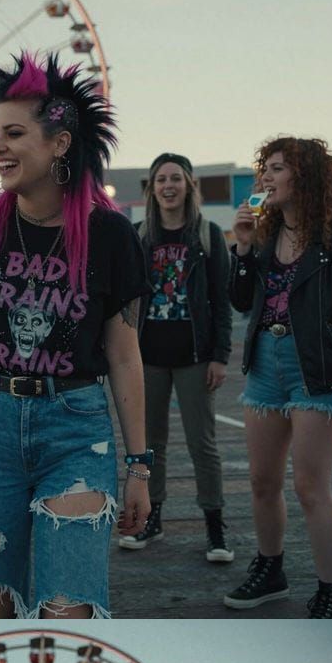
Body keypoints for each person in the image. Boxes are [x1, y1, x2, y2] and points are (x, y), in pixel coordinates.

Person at [0, 52, 151, 619]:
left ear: (61, 143)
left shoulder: (111, 235)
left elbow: (123, 354)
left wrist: (139, 466)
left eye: (15, 133)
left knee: (69, 606)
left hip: (75, 430)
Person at [225, 137, 332, 618]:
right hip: (265, 363)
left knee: (309, 485)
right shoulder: (263, 234)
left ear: (303, 176)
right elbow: (241, 302)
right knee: (262, 480)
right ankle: (271, 569)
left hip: (318, 368)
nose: (265, 179)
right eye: (266, 169)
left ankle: (331, 593)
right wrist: (241, 249)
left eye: (276, 169)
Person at [120, 153, 234, 562]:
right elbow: (125, 300)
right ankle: (153, 519)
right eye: (160, 179)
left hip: (195, 357)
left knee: (203, 444)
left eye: (176, 179)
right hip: (147, 357)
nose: (168, 186)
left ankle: (215, 528)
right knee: (150, 445)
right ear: (151, 188)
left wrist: (220, 355)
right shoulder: (138, 236)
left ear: (188, 185)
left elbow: (221, 300)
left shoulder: (207, 235)